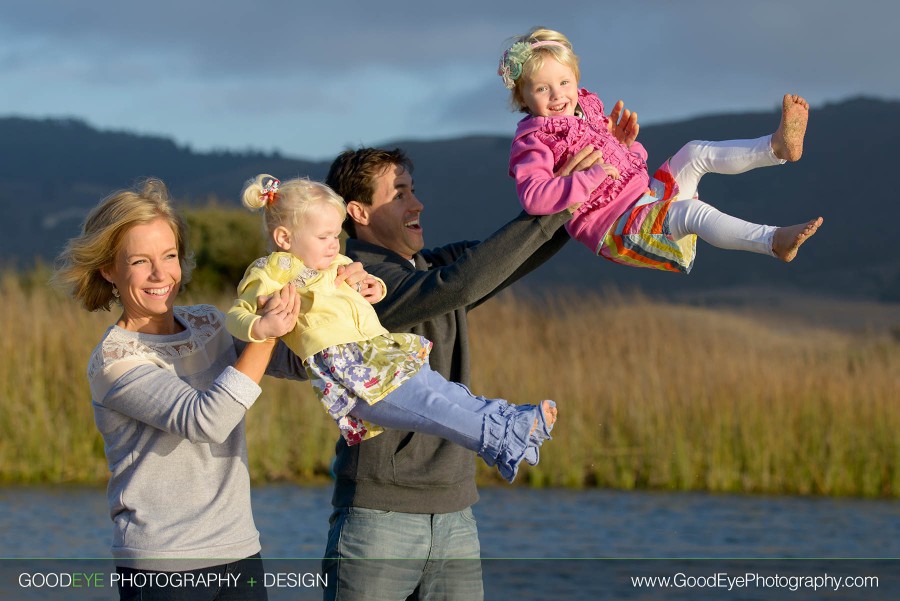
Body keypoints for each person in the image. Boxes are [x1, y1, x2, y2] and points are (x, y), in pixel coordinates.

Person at [318, 143, 618, 600]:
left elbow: (506, 259)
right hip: (380, 519)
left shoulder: (428, 267)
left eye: (413, 190)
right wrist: (565, 198)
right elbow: (462, 282)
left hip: (456, 513)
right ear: (358, 211)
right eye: (398, 194)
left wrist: (585, 189)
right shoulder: (357, 284)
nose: (417, 203)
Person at [51, 178, 368, 601]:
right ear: (109, 269)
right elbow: (208, 419)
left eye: (169, 256)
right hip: (165, 565)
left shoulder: (206, 321)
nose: (161, 273)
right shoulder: (116, 360)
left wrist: (340, 298)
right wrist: (264, 332)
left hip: (240, 550)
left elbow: (294, 362)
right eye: (141, 261)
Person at [226, 174, 556, 483]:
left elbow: (372, 286)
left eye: (337, 235)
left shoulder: (337, 263)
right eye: (324, 237)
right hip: (352, 376)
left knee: (444, 391)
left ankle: (514, 426)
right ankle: (506, 435)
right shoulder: (271, 271)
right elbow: (236, 315)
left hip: (380, 354)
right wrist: (262, 325)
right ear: (284, 238)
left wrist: (372, 288)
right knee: (432, 407)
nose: (333, 244)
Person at [500, 26, 824, 274]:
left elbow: (622, 164)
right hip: (618, 229)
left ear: (575, 79)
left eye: (564, 82)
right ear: (523, 98)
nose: (557, 94)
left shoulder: (586, 109)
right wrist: (591, 178)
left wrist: (625, 146)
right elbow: (534, 196)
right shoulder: (534, 140)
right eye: (542, 88)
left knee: (694, 152)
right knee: (691, 214)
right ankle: (773, 241)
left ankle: (776, 148)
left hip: (646, 199)